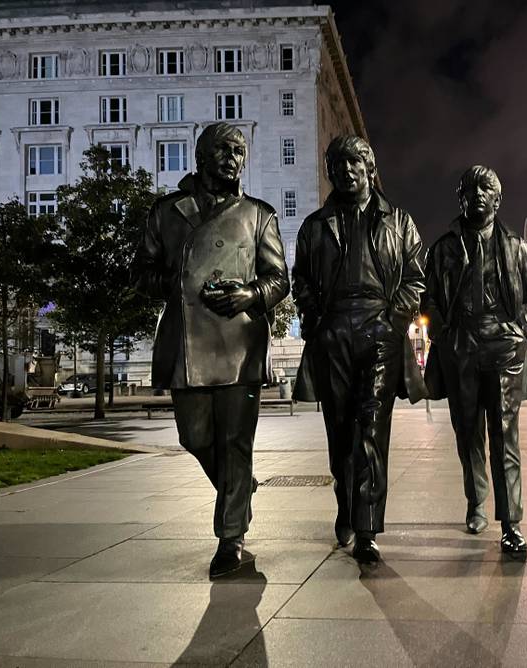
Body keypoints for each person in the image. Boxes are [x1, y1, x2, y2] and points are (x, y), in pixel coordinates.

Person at [132, 122, 289, 578]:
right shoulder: (167, 212)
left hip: (239, 343)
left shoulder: (258, 215)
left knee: (236, 442)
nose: (232, 158)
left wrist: (248, 295)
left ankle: (231, 537)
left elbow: (279, 280)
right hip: (188, 344)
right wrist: (178, 283)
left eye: (239, 151)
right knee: (195, 437)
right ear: (201, 156)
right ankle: (237, 488)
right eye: (222, 149)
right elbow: (140, 273)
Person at [292, 135, 426, 564]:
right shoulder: (315, 226)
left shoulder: (400, 221)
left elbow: (415, 278)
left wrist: (394, 322)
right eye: (338, 164)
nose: (346, 170)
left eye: (355, 162)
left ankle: (367, 526)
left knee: (371, 429)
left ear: (369, 167)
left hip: (380, 331)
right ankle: (345, 501)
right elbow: (302, 282)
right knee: (341, 434)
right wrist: (316, 321)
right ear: (330, 171)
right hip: (333, 333)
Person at [421, 165, 527, 557]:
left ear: (497, 199)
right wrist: (444, 333)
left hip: (503, 348)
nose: (477, 195)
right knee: (468, 432)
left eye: (485, 188)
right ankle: (476, 503)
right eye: (469, 189)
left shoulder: (515, 247)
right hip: (462, 345)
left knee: (505, 436)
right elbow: (430, 300)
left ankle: (511, 523)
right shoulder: (443, 249)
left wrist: (519, 332)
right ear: (460, 198)